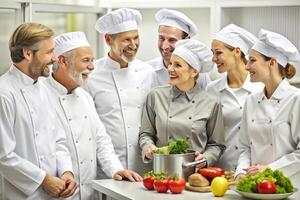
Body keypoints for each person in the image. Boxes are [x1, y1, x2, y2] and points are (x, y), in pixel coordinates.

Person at [44, 32, 143, 200]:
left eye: (92, 60)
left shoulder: (84, 97)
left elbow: (101, 140)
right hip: (57, 192)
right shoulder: (42, 96)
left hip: (89, 192)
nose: (92, 66)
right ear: (62, 61)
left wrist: (116, 170)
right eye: (86, 61)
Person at [0, 22, 77, 199]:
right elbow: (4, 156)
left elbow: (58, 139)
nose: (55, 58)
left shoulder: (46, 88)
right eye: (49, 52)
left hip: (55, 192)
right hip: (21, 195)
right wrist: (43, 180)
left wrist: (66, 172)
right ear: (28, 54)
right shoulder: (4, 93)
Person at [85, 8, 157, 177]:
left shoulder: (147, 72)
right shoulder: (91, 76)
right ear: (108, 39)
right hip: (106, 169)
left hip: (144, 165)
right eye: (126, 39)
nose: (133, 45)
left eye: (136, 37)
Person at [139, 39, 225, 167]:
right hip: (161, 173)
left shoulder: (211, 102)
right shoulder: (155, 96)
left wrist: (205, 159)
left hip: (194, 174)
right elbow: (145, 134)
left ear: (194, 71)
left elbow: (217, 145)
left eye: (177, 65)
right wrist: (148, 147)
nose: (170, 69)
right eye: (170, 64)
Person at [235, 29, 300, 182]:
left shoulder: (296, 99)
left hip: (289, 188)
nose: (246, 66)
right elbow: (245, 147)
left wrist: (271, 169)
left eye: (252, 60)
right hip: (255, 187)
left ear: (272, 62)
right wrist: (240, 172)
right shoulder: (251, 100)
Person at [206, 24, 264, 171]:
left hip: (254, 170)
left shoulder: (261, 88)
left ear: (237, 51)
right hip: (221, 170)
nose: (214, 58)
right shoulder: (212, 89)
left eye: (218, 53)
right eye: (213, 53)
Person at [148, 9, 211, 88]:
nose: (165, 46)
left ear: (187, 40)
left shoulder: (199, 75)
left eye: (172, 40)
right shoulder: (148, 70)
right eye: (161, 38)